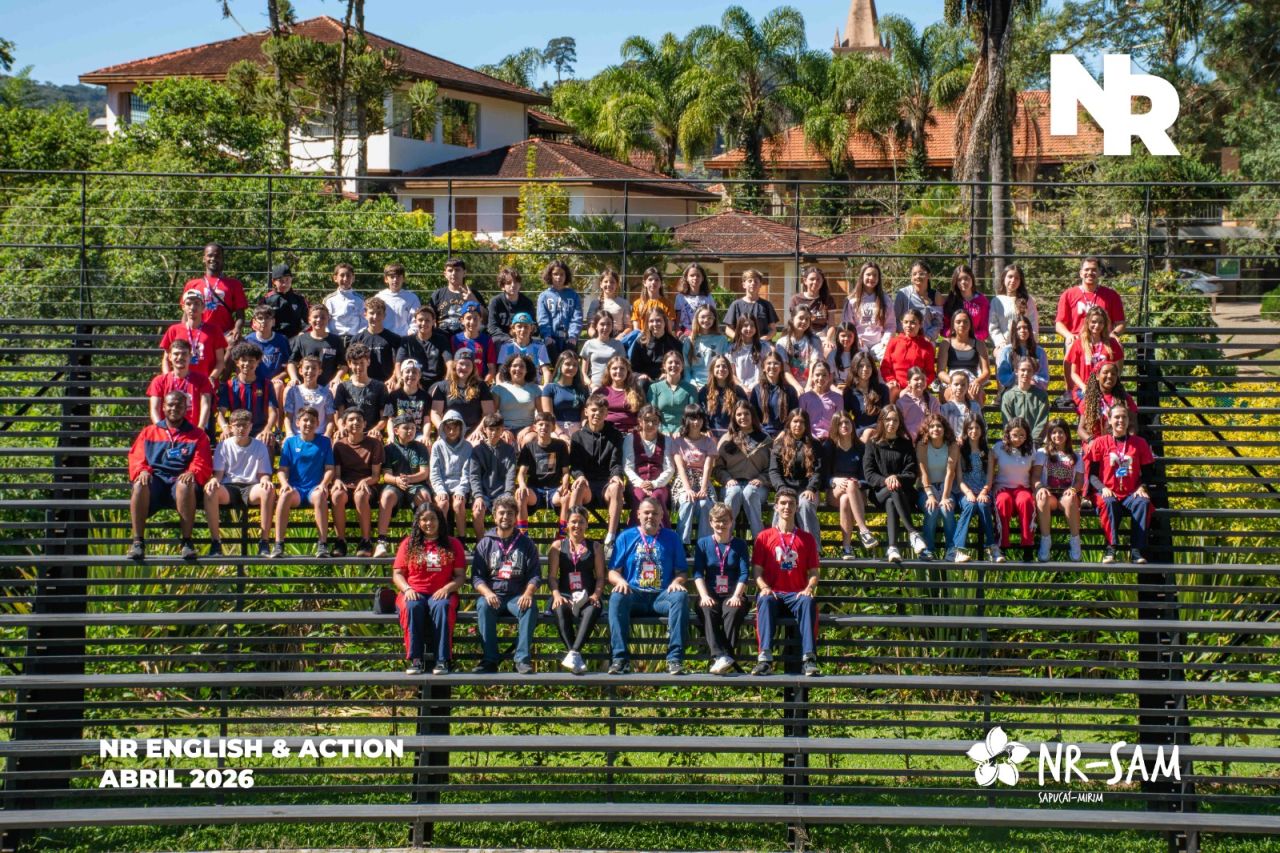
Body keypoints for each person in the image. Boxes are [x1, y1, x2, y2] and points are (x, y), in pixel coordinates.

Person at [606, 496, 690, 675]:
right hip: (635, 595)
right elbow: (613, 572)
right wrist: (620, 581)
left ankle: (675, 660)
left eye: (654, 513)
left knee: (680, 596)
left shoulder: (672, 538)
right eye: (646, 513)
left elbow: (682, 572)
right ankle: (620, 659)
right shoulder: (626, 537)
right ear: (638, 514)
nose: (650, 516)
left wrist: (677, 582)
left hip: (661, 596)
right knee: (616, 597)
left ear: (661, 516)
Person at [127, 392, 214, 562]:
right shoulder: (149, 432)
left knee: (185, 484)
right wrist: (142, 470)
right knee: (139, 484)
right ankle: (138, 542)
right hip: (156, 480)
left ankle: (187, 542)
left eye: (179, 405)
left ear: (186, 408)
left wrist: (192, 472)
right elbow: (137, 458)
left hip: (181, 483)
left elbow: (202, 461)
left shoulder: (197, 435)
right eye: (170, 405)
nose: (174, 408)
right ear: (164, 407)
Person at [750, 488, 821, 677]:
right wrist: (764, 587)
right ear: (776, 507)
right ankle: (765, 660)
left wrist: (809, 588)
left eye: (791, 503)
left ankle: (809, 659)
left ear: (797, 507)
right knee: (764, 600)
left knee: (808, 601)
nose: (787, 507)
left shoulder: (807, 539)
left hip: (796, 595)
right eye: (782, 503)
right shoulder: (764, 537)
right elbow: (757, 571)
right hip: (774, 593)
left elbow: (814, 572)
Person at [470, 496, 542, 674]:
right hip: (493, 595)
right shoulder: (485, 543)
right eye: (501, 513)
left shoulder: (526, 543)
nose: (505, 517)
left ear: (516, 517)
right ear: (494, 516)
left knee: (530, 607)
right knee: (483, 606)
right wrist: (487, 593)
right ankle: (490, 660)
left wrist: (528, 593)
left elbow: (535, 575)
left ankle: (522, 660)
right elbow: (477, 577)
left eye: (510, 513)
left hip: (516, 597)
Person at [393, 504, 466, 675]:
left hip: (442, 593)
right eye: (424, 519)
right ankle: (416, 660)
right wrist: (407, 589)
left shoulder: (453, 544)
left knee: (442, 606)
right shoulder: (408, 544)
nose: (428, 523)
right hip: (413, 592)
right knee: (412, 606)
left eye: (432, 518)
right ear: (418, 522)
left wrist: (448, 588)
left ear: (439, 520)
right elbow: (397, 574)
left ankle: (442, 660)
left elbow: (460, 576)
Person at [1085, 406, 1155, 564]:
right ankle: (1111, 548)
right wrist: (1102, 488)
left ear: (1129, 420)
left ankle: (1136, 551)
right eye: (1116, 417)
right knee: (1108, 502)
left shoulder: (1139, 443)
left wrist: (1142, 487)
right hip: (1108, 491)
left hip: (1131, 493)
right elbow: (1092, 474)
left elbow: (1148, 472)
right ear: (1109, 420)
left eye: (1124, 417)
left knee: (1143, 502)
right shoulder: (1100, 442)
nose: (1120, 420)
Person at [1055, 255, 1126, 406]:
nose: (1090, 273)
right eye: (1086, 270)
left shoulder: (1111, 295)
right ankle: (1070, 390)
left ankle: (1114, 384)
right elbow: (1059, 324)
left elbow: (1121, 323)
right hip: (1078, 339)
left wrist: (1114, 334)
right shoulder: (1069, 294)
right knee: (1071, 346)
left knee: (1117, 345)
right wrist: (1068, 335)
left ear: (1099, 272)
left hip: (1103, 338)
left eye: (1094, 270)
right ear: (1081, 273)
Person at [863, 406, 929, 562]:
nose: (891, 423)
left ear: (900, 423)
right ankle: (913, 533)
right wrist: (886, 480)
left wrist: (896, 478)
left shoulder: (905, 444)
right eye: (888, 419)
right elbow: (869, 474)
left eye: (895, 420)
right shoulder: (872, 443)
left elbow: (911, 473)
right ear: (882, 421)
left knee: (893, 497)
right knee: (892, 489)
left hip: (904, 494)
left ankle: (892, 548)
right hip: (879, 492)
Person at [546, 505, 606, 674]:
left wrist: (596, 595)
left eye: (581, 522)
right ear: (567, 524)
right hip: (565, 594)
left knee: (593, 608)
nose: (577, 525)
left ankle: (573, 653)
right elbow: (552, 577)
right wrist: (556, 595)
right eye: (573, 522)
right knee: (559, 607)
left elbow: (601, 577)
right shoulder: (558, 546)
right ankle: (575, 654)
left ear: (587, 524)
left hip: (588, 596)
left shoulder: (595, 547)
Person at [693, 502, 750, 675]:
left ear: (731, 522)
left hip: (733, 593)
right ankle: (723, 656)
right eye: (717, 521)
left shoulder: (740, 545)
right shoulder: (703, 543)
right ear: (711, 522)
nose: (721, 524)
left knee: (732, 610)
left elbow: (744, 574)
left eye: (725, 520)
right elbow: (698, 573)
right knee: (706, 608)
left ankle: (723, 657)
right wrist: (704, 596)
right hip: (710, 593)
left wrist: (736, 596)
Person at [273, 406, 335, 559]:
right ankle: (278, 544)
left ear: (318, 423)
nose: (308, 424)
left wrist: (323, 484)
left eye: (312, 421)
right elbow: (282, 470)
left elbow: (330, 469)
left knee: (320, 495)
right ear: (298, 422)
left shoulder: (324, 442)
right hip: (296, 489)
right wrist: (284, 484)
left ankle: (322, 545)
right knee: (284, 496)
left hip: (314, 488)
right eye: (305, 420)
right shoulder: (290, 442)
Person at [567, 396, 627, 547]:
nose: (597, 414)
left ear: (606, 414)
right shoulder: (577, 437)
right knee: (577, 487)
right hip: (587, 486)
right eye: (593, 410)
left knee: (617, 487)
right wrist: (580, 476)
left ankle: (611, 538)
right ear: (586, 411)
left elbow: (616, 463)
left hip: (606, 485)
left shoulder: (615, 435)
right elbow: (575, 465)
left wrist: (616, 476)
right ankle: (573, 539)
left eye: (601, 411)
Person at [375, 415, 432, 558]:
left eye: (413, 428)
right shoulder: (389, 449)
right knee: (387, 496)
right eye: (406, 428)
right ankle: (381, 541)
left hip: (416, 483)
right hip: (395, 485)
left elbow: (424, 473)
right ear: (396, 430)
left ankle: (425, 540)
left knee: (425, 496)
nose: (410, 431)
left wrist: (408, 479)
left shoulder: (420, 447)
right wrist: (397, 480)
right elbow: (386, 475)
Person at [330, 409, 384, 557]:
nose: (355, 423)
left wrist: (365, 481)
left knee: (360, 495)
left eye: (359, 420)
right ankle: (340, 540)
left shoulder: (374, 444)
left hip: (368, 484)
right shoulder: (339, 445)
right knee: (336, 495)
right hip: (346, 484)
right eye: (351, 420)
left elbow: (376, 476)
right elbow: (337, 474)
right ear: (344, 424)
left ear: (365, 424)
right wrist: (337, 480)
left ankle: (366, 541)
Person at [824, 410, 877, 556]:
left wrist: (859, 483)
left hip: (857, 493)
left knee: (846, 497)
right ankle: (864, 530)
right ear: (835, 427)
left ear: (852, 424)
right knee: (847, 489)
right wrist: (835, 480)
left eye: (847, 422)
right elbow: (823, 476)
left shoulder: (860, 447)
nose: (844, 426)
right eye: (840, 423)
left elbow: (866, 476)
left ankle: (846, 548)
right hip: (834, 490)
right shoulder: (829, 446)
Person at [1034, 417, 1085, 562]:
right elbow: (1035, 476)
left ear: (1067, 434)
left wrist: (1074, 489)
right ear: (1049, 435)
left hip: (1065, 496)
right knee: (1042, 497)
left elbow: (1080, 480)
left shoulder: (1076, 456)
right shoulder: (1042, 453)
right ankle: (1045, 540)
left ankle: (1075, 540)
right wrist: (1039, 487)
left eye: (1061, 432)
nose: (1058, 435)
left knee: (1071, 498)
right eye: (1054, 432)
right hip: (1049, 495)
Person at [768, 409, 822, 538]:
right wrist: (781, 488)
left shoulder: (814, 445)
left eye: (802, 422)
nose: (798, 425)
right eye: (795, 421)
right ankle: (777, 543)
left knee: (805, 504)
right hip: (785, 488)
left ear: (806, 425)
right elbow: (774, 470)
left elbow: (818, 471)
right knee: (782, 505)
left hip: (807, 488)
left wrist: (811, 488)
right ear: (789, 423)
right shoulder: (779, 444)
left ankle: (812, 545)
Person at [992, 416, 1040, 562]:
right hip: (1002, 487)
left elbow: (1033, 474)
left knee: (1026, 501)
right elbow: (990, 471)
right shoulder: (999, 447)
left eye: (1022, 435)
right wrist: (990, 488)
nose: (1018, 439)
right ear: (1008, 434)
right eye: (1014, 435)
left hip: (1022, 488)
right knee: (1003, 501)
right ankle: (1002, 545)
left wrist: (1036, 491)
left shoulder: (1031, 449)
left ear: (1027, 435)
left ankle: (1027, 545)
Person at [952, 414, 997, 564]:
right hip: (966, 492)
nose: (974, 431)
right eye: (970, 428)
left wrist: (984, 491)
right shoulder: (960, 451)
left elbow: (989, 479)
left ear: (982, 430)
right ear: (966, 430)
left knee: (983, 504)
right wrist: (969, 493)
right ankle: (958, 550)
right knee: (970, 505)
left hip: (983, 491)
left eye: (977, 428)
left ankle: (992, 547)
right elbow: (959, 480)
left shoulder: (988, 452)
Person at [515, 412, 572, 530]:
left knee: (567, 497)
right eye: (540, 424)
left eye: (547, 425)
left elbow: (566, 472)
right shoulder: (529, 447)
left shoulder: (560, 446)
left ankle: (562, 533)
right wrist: (522, 485)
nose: (544, 427)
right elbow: (521, 473)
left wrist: (564, 486)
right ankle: (522, 533)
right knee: (520, 495)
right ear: (535, 427)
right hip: (535, 489)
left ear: (553, 428)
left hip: (554, 489)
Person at [215, 342, 279, 446]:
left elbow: (273, 412)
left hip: (259, 430)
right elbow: (220, 413)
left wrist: (267, 429)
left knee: (268, 439)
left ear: (258, 362)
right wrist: (225, 428)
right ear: (237, 362)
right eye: (243, 360)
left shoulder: (266, 384)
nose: (247, 364)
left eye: (251, 360)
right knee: (225, 439)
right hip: (237, 431)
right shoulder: (229, 386)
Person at [916, 414, 960, 561]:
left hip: (946, 487)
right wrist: (930, 494)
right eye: (932, 426)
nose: (936, 429)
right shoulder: (922, 445)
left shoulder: (952, 445)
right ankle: (928, 549)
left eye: (939, 426)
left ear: (945, 429)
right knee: (932, 508)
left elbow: (950, 472)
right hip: (926, 488)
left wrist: (945, 496)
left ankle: (951, 549)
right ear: (927, 429)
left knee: (946, 509)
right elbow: (923, 471)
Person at [183, 242, 247, 342]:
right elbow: (186, 314)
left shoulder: (234, 284)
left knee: (234, 342)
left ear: (222, 259)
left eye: (217, 256)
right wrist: (184, 332)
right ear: (204, 258)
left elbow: (240, 315)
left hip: (225, 333)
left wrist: (237, 329)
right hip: (200, 332)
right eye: (210, 255)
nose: (213, 259)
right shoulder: (192, 284)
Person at [672, 405, 717, 544]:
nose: (696, 422)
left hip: (703, 479)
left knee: (705, 505)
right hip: (684, 480)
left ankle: (704, 544)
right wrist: (688, 489)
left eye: (699, 419)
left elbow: (708, 467)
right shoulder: (678, 441)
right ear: (686, 420)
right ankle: (682, 544)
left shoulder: (709, 442)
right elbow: (680, 467)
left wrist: (703, 489)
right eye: (692, 418)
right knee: (687, 501)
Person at [161, 289, 228, 382]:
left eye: (196, 303)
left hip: (205, 383)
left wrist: (212, 378)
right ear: (183, 307)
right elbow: (166, 359)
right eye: (188, 304)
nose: (192, 307)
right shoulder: (174, 330)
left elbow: (220, 361)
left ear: (203, 307)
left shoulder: (214, 331)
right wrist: (168, 380)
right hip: (179, 383)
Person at [468, 414, 517, 541]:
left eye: (497, 429)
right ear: (484, 429)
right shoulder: (477, 450)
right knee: (477, 512)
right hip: (483, 493)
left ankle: (506, 542)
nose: (494, 433)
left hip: (502, 493)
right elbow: (474, 476)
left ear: (502, 430)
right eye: (491, 429)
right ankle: (481, 544)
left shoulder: (509, 450)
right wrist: (478, 496)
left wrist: (508, 494)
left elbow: (511, 474)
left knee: (508, 511)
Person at [148, 339, 213, 434]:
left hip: (193, 432)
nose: (180, 357)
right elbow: (154, 409)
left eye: (184, 354)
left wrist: (200, 429)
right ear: (170, 357)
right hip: (166, 432)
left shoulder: (202, 380)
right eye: (176, 354)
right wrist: (161, 430)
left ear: (190, 356)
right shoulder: (159, 381)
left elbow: (205, 405)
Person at [623, 405, 674, 524]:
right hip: (636, 485)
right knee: (640, 497)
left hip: (660, 485)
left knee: (657, 497)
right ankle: (635, 531)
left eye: (655, 421)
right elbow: (628, 467)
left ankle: (663, 532)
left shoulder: (667, 440)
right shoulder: (631, 439)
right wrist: (642, 484)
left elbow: (669, 468)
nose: (651, 424)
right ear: (640, 421)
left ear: (659, 422)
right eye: (647, 420)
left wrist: (654, 484)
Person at [429, 350, 494, 440]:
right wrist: (443, 429)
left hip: (473, 433)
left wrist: (477, 431)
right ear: (455, 365)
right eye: (461, 364)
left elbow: (488, 413)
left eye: (468, 364)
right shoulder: (442, 386)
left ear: (473, 367)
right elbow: (435, 413)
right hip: (449, 432)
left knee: (476, 445)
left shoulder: (481, 386)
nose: (464, 367)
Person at [1065, 306, 1124, 406]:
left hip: (1106, 388)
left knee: (1123, 404)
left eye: (1101, 322)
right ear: (1087, 322)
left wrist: (1109, 385)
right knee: (1092, 403)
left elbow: (1118, 369)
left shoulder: (1112, 343)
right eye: (1093, 322)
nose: (1097, 325)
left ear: (1105, 324)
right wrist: (1084, 387)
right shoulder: (1079, 343)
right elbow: (1073, 373)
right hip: (1084, 388)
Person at [430, 410, 474, 540]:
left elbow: (467, 473)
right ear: (443, 428)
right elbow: (434, 472)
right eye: (448, 428)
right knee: (442, 504)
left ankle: (461, 540)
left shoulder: (468, 447)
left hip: (460, 486)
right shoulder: (437, 446)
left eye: (455, 428)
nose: (451, 432)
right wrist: (440, 490)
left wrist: (461, 490)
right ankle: (442, 540)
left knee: (458, 504)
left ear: (461, 429)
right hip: (442, 485)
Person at [334, 342, 388, 438]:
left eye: (362, 363)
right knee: (337, 437)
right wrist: (341, 428)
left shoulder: (380, 387)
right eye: (355, 363)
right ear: (349, 364)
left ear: (368, 362)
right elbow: (339, 416)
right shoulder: (343, 387)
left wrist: (375, 429)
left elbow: (384, 418)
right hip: (349, 434)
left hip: (370, 434)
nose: (358, 367)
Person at [1077, 362, 1138, 446]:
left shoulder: (1125, 399)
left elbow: (1133, 425)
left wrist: (1127, 443)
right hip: (1095, 444)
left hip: (1119, 444)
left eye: (1113, 374)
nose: (1109, 376)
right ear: (1097, 376)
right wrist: (1092, 442)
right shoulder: (1088, 400)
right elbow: (1081, 429)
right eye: (1105, 372)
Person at [880, 308, 936, 401]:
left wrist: (919, 384)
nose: (908, 326)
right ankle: (890, 410)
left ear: (920, 324)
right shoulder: (894, 342)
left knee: (907, 395)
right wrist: (891, 379)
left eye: (913, 322)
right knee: (890, 389)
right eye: (906, 322)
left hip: (916, 386)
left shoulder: (926, 346)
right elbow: (885, 366)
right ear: (902, 323)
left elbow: (930, 373)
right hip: (896, 385)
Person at [842, 261, 895, 358]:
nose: (871, 278)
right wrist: (855, 339)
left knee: (888, 358)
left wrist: (885, 341)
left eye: (875, 275)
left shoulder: (886, 300)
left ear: (879, 278)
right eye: (868, 274)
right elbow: (848, 325)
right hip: (859, 342)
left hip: (879, 344)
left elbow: (890, 325)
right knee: (860, 359)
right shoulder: (852, 300)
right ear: (862, 276)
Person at [935, 308, 989, 404]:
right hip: (951, 380)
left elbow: (986, 371)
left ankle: (974, 414)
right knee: (952, 394)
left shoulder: (979, 344)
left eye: (965, 322)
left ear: (970, 324)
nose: (962, 324)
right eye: (958, 322)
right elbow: (940, 371)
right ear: (953, 324)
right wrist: (954, 382)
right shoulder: (946, 343)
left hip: (971, 381)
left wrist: (977, 382)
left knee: (974, 395)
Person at [287, 303, 346, 389]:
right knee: (289, 388)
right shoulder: (301, 339)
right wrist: (294, 378)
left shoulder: (336, 340)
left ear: (328, 319)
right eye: (315, 317)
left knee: (337, 388)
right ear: (309, 320)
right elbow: (292, 362)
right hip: (304, 386)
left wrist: (337, 378)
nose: (319, 320)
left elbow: (343, 365)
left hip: (328, 386)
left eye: (323, 317)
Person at [395, 303, 451, 390]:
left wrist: (446, 383)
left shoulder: (441, 340)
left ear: (433, 322)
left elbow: (450, 363)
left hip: (436, 384)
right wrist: (400, 379)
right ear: (415, 321)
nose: (423, 323)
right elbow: (398, 363)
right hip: (412, 382)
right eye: (420, 320)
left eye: (427, 320)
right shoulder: (407, 341)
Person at [536, 260, 584, 361]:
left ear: (566, 276)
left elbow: (577, 318)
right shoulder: (544, 296)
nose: (559, 277)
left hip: (569, 339)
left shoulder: (573, 296)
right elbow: (543, 318)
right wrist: (547, 336)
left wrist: (573, 336)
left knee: (568, 365)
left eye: (562, 274)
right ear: (550, 275)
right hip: (551, 339)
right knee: (553, 366)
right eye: (555, 274)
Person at [540, 350, 590, 441]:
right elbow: (549, 415)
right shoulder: (550, 388)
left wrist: (583, 430)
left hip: (578, 428)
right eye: (567, 364)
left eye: (575, 365)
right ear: (560, 365)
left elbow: (584, 414)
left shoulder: (583, 389)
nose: (571, 367)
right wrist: (561, 434)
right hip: (555, 429)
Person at [350, 297, 401, 384]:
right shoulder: (357, 339)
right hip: (363, 384)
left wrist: (393, 378)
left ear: (384, 315)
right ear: (365, 314)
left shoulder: (394, 339)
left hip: (387, 384)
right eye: (371, 313)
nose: (375, 317)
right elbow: (351, 364)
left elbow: (398, 363)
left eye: (379, 313)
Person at [491, 354, 541, 442]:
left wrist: (531, 428)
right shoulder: (499, 389)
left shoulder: (535, 389)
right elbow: (492, 415)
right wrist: (502, 429)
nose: (518, 369)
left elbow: (541, 414)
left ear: (527, 370)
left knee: (531, 439)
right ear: (509, 369)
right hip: (505, 429)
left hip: (528, 429)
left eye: (522, 366)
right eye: (514, 366)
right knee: (503, 441)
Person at [647, 351, 698, 436]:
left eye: (677, 363)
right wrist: (662, 430)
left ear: (682, 366)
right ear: (664, 366)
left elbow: (693, 414)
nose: (673, 365)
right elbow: (652, 414)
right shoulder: (654, 388)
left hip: (684, 433)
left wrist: (682, 430)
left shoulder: (691, 389)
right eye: (670, 362)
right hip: (659, 433)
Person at [774, 305, 824, 393]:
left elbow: (814, 364)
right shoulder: (781, 342)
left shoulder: (815, 340)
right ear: (793, 319)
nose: (804, 321)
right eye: (801, 318)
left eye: (807, 319)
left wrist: (809, 385)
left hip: (811, 385)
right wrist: (797, 387)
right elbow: (785, 369)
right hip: (789, 387)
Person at [987, 263, 1038, 350]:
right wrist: (1001, 343)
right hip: (1003, 347)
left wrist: (1029, 344)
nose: (1013, 280)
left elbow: (1033, 325)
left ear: (1020, 281)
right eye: (1010, 276)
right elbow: (993, 326)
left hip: (1025, 347)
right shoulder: (996, 301)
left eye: (1017, 278)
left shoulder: (1028, 300)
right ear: (1004, 278)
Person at [1000, 357, 1050, 444]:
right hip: (1013, 442)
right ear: (1016, 371)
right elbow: (1007, 421)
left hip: (1034, 444)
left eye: (1029, 371)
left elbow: (1042, 422)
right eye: (1023, 370)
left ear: (1033, 373)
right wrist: (1016, 439)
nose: (1026, 373)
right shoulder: (1008, 396)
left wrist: (1032, 442)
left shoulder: (1041, 396)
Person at [283, 355, 335, 438]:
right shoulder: (293, 391)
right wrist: (289, 434)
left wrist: (326, 436)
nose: (310, 371)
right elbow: (288, 417)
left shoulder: (326, 393)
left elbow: (330, 420)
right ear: (300, 371)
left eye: (314, 368)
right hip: (297, 435)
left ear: (320, 371)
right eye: (307, 368)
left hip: (319, 435)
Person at [431, 257, 485, 337]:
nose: (453, 273)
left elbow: (486, 319)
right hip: (442, 338)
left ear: (464, 273)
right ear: (445, 274)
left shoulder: (473, 294)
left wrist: (474, 300)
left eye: (457, 270)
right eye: (450, 270)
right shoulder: (437, 295)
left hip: (467, 338)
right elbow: (429, 319)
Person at [995, 314, 1049, 392]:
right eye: (1019, 328)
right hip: (1012, 391)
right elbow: (1003, 377)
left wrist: (1031, 380)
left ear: (1030, 330)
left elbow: (1044, 378)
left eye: (1025, 327)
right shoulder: (1006, 351)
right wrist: (1019, 379)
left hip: (1034, 391)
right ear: (1014, 331)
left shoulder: (1040, 352)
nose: (1022, 330)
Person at [843, 352, 889, 443]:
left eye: (868, 366)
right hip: (859, 432)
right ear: (855, 368)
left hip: (879, 431)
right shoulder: (850, 392)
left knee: (869, 433)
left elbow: (886, 415)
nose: (865, 369)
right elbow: (845, 416)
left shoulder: (882, 389)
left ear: (873, 368)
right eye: (861, 366)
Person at [894, 259, 944, 342]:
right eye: (914, 274)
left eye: (921, 274)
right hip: (906, 338)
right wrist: (907, 333)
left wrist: (929, 336)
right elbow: (895, 319)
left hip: (927, 340)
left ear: (929, 276)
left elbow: (938, 323)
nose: (917, 276)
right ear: (911, 277)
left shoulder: (936, 296)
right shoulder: (903, 294)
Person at [382, 358, 431, 443]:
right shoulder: (394, 396)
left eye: (414, 372)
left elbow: (427, 421)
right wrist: (391, 436)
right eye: (407, 371)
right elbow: (391, 420)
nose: (411, 375)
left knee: (425, 444)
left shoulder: (425, 397)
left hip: (417, 434)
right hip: (399, 433)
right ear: (401, 375)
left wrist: (426, 436)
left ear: (419, 375)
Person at [245, 304, 291, 394]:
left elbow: (288, 366)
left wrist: (278, 378)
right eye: (260, 318)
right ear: (254, 322)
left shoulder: (282, 340)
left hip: (275, 382)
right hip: (254, 382)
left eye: (267, 318)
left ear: (273, 322)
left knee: (278, 386)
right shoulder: (248, 340)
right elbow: (240, 366)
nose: (263, 321)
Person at [629, 308, 684, 383]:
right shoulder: (640, 342)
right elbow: (633, 368)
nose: (655, 324)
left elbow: (682, 367)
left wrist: (670, 374)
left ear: (665, 322)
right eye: (651, 321)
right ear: (647, 323)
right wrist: (640, 375)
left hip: (668, 380)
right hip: (646, 381)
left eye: (658, 320)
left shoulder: (675, 343)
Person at [487, 266, 536, 349]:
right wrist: (509, 340)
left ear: (520, 284)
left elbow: (533, 325)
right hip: (502, 339)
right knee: (496, 341)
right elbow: (492, 327)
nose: (513, 285)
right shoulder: (495, 302)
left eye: (516, 282)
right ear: (502, 286)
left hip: (524, 337)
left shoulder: (527, 302)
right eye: (509, 283)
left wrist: (522, 338)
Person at [723, 269, 779, 340]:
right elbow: (728, 329)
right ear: (744, 285)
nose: (753, 283)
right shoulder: (736, 305)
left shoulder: (767, 305)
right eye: (750, 281)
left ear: (760, 285)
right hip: (741, 344)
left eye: (756, 281)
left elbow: (773, 330)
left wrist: (764, 339)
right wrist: (739, 339)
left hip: (761, 344)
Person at [258, 263, 309, 340]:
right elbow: (257, 321)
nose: (284, 284)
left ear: (291, 279)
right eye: (281, 281)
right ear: (273, 281)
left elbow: (307, 320)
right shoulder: (266, 300)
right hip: (273, 339)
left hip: (296, 338)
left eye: (287, 279)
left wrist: (303, 332)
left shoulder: (299, 299)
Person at [627, 266, 677, 344]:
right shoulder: (637, 304)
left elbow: (669, 329)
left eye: (656, 280)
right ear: (644, 283)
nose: (653, 282)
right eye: (650, 279)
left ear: (660, 283)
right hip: (642, 340)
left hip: (662, 340)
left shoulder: (668, 304)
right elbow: (636, 329)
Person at [698, 355, 746, 438]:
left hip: (733, 434)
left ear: (729, 370)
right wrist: (705, 428)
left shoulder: (738, 391)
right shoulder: (704, 391)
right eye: (717, 366)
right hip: (710, 435)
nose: (721, 369)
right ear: (712, 370)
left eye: (724, 366)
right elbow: (701, 414)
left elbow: (745, 413)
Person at [594, 354, 643, 435]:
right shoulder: (600, 392)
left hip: (630, 433)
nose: (618, 371)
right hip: (606, 433)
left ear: (627, 372)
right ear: (609, 371)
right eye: (614, 368)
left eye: (622, 368)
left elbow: (642, 415)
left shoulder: (637, 391)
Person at [497, 313, 552, 385]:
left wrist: (545, 388)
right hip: (511, 386)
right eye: (519, 326)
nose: (523, 329)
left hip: (534, 386)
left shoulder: (539, 347)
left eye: (526, 326)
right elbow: (500, 372)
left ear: (531, 328)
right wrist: (499, 387)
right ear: (513, 328)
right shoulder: (506, 346)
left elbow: (546, 371)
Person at [451, 301, 498, 383]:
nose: (472, 322)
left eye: (475, 318)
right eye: (468, 318)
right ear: (462, 320)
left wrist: (483, 385)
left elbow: (492, 369)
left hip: (480, 382)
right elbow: (452, 366)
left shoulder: (487, 340)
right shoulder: (455, 339)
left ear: (481, 320)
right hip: (460, 383)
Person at [941, 264, 990, 342]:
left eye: (966, 278)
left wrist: (971, 338)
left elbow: (985, 329)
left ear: (972, 279)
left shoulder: (982, 301)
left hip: (975, 342)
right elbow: (943, 328)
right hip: (954, 342)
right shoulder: (950, 301)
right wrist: (955, 335)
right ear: (955, 282)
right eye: (959, 279)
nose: (963, 282)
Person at [684, 305, 729, 388]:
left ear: (714, 319)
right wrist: (691, 385)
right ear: (697, 318)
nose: (706, 320)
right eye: (703, 317)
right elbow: (686, 367)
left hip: (716, 383)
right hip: (694, 384)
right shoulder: (689, 341)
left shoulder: (722, 339)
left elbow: (726, 364)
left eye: (710, 317)